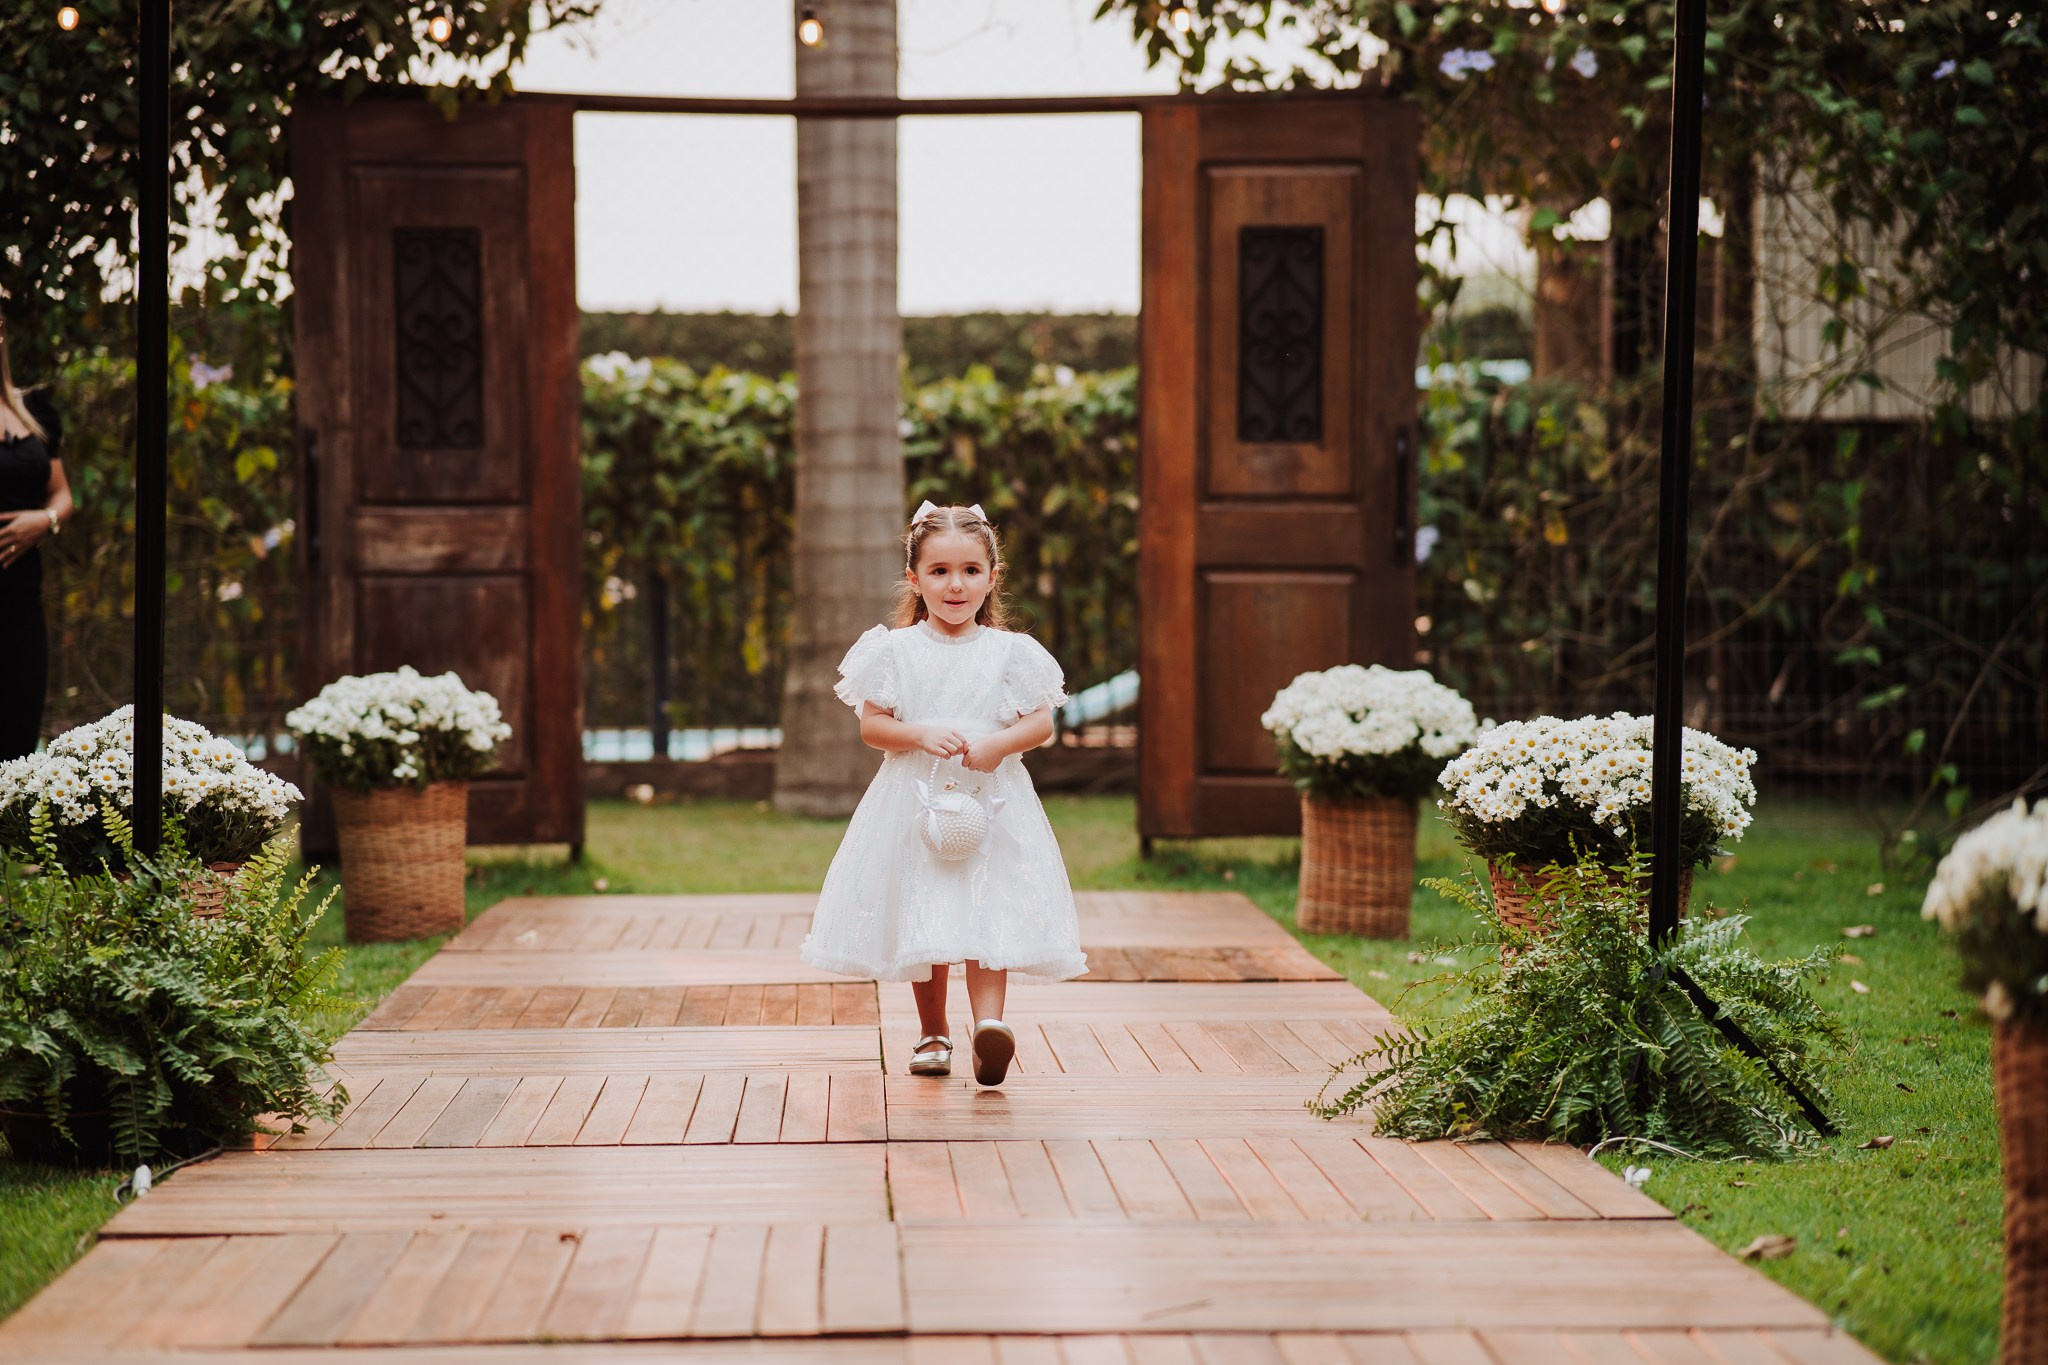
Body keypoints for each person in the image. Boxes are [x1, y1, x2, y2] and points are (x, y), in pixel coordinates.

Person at [800, 501, 1084, 1086]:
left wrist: (1000, 743)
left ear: (991, 577)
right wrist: (920, 732)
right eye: (939, 572)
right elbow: (873, 726)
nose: (956, 585)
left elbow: (1039, 724)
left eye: (971, 571)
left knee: (989, 907)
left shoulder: (1010, 653)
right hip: (915, 801)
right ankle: (933, 1032)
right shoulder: (895, 651)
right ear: (914, 578)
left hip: (991, 799)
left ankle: (989, 1028)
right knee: (923, 912)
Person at [0, 305, 74, 761]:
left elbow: (63, 495)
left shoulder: (33, 412)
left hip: (21, 604)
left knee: (16, 746)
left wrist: (42, 522)